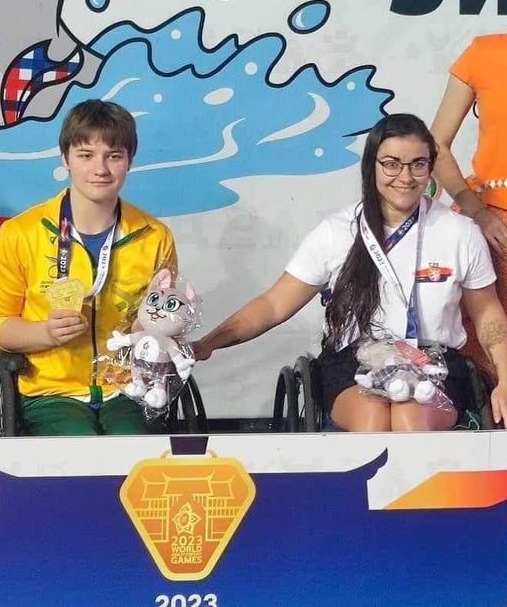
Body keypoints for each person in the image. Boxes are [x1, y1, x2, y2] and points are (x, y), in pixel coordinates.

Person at [193, 113, 507, 431]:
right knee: (373, 421)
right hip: (355, 360)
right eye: (392, 164)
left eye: (418, 164)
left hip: (433, 361)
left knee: (409, 419)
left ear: (431, 167)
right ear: (371, 165)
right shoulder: (337, 231)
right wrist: (209, 343)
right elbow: (274, 305)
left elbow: (488, 314)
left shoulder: (460, 232)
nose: (405, 176)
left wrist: (505, 379)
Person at [0, 99, 177, 435]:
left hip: (128, 389)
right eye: (86, 155)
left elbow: (166, 317)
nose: (100, 169)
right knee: (79, 448)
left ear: (130, 161)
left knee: (131, 449)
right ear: (65, 158)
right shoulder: (20, 234)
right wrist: (44, 333)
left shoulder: (154, 236)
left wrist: (154, 330)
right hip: (50, 392)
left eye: (114, 156)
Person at [430, 36, 507, 371]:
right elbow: (436, 146)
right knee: (488, 349)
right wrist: (478, 213)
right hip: (495, 224)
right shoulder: (485, 53)